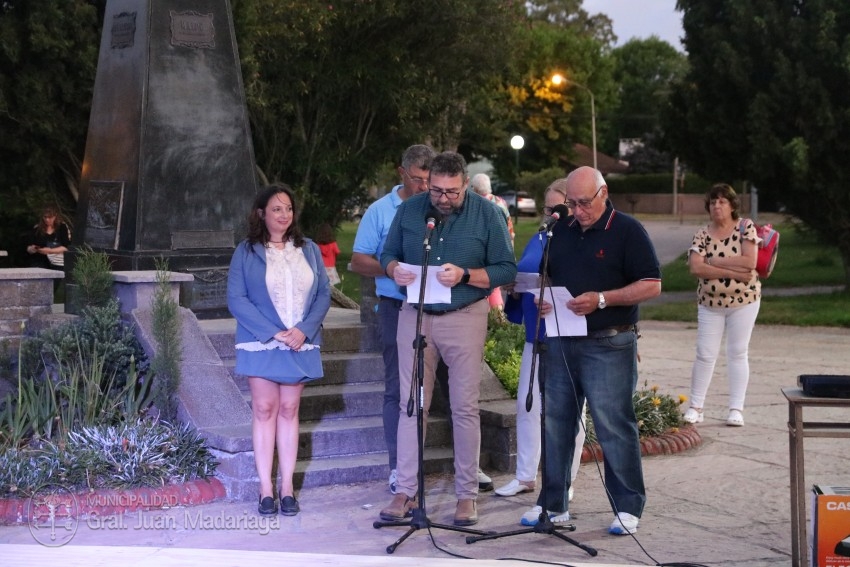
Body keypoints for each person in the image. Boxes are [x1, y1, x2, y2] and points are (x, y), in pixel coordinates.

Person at [378, 151, 516, 526]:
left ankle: (466, 495)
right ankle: (405, 491)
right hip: (416, 316)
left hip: (464, 315)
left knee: (464, 407)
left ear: (465, 185)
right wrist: (394, 270)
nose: (442, 198)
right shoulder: (411, 211)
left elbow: (506, 268)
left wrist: (467, 275)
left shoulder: (487, 214)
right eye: (436, 190)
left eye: (452, 192)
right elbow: (386, 252)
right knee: (412, 404)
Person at [532, 166, 660, 536]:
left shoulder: (628, 230)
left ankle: (628, 506)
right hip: (561, 339)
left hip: (609, 340)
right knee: (556, 422)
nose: (578, 210)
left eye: (584, 202)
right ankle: (553, 504)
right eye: (571, 203)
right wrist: (543, 298)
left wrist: (603, 299)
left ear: (604, 193)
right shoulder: (559, 230)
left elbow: (651, 285)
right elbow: (545, 275)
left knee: (613, 425)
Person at [226, 183, 331, 517]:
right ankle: (265, 490)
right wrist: (273, 332)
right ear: (261, 213)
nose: (284, 215)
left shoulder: (310, 249)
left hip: (300, 341)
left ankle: (286, 488)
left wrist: (303, 330)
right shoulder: (246, 251)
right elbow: (236, 299)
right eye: (276, 209)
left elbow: (323, 294)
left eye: (288, 208)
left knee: (289, 409)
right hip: (261, 342)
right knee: (264, 408)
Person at [496, 180, 586, 521]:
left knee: (570, 413)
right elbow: (526, 270)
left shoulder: (580, 241)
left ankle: (567, 480)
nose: (549, 215)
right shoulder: (541, 236)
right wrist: (513, 288)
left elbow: (586, 285)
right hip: (537, 332)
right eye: (547, 209)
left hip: (568, 336)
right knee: (527, 403)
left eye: (556, 209)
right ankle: (525, 475)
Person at [351, 144, 436, 494]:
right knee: (397, 388)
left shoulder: (440, 205)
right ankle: (397, 467)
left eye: (430, 180)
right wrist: (391, 268)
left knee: (441, 388)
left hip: (437, 306)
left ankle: (459, 465)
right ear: (401, 173)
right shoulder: (380, 210)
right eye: (418, 179)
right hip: (395, 306)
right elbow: (357, 260)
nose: (424, 187)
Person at [683, 183, 761, 427]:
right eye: (713, 202)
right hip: (709, 303)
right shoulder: (702, 233)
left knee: (737, 352)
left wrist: (713, 260)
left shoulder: (745, 227)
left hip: (744, 302)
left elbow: (750, 262)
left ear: (732, 205)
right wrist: (733, 271)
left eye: (722, 201)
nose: (717, 206)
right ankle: (696, 406)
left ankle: (736, 408)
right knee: (705, 354)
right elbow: (696, 267)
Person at [470, 173, 513, 310]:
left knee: (484, 283)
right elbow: (509, 226)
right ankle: (498, 316)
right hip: (501, 248)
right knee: (495, 285)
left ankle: (491, 315)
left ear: (475, 188)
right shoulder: (500, 201)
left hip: (482, 250)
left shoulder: (474, 204)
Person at [25, 205, 72, 296]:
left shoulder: (62, 227)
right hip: (40, 259)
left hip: (57, 260)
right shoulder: (37, 228)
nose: (47, 220)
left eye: (50, 217)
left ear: (55, 217)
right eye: (45, 217)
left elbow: (66, 246)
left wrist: (50, 250)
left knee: (51, 289)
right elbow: (28, 247)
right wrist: (32, 249)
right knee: (38, 287)